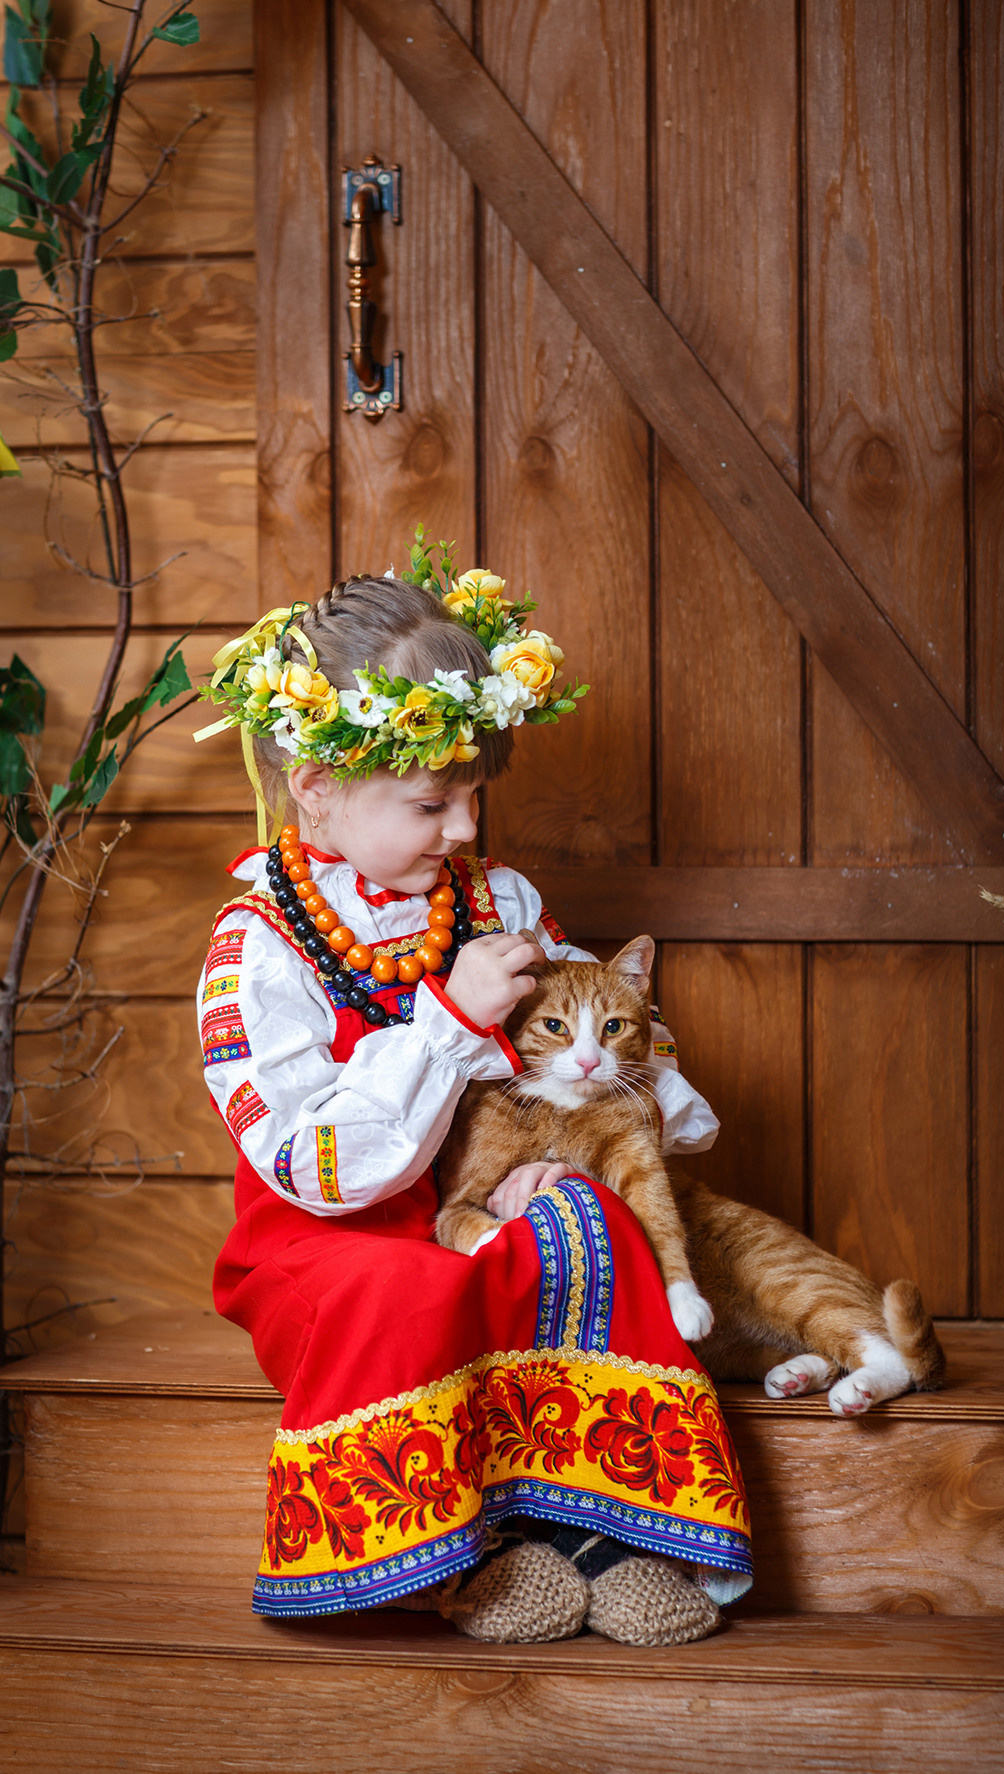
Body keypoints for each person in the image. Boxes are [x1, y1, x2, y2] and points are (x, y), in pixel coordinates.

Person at [195, 549, 752, 1646]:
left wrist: (609, 1119)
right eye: (429, 802)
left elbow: (585, 1015)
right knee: (399, 1287)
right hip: (331, 1232)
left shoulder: (491, 898)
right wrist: (448, 1023)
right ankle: (460, 1557)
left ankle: (615, 1534)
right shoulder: (257, 946)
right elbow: (325, 1169)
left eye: (472, 799)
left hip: (481, 1185)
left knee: (586, 1221)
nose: (460, 828)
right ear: (314, 787)